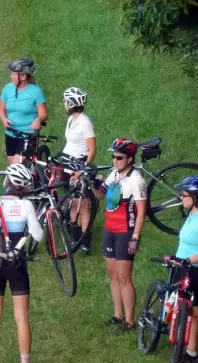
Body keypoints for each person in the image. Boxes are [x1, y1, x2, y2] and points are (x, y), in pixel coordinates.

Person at [0, 164, 43, 363]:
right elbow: (38, 236)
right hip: (16, 263)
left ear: (7, 182)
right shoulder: (26, 205)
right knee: (21, 316)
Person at [92, 138, 147, 333]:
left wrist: (136, 236)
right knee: (112, 274)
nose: (114, 160)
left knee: (124, 277)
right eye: (113, 157)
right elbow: (101, 196)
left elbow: (141, 211)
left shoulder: (136, 180)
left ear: (130, 159)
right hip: (110, 229)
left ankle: (130, 321)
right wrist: (94, 183)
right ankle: (117, 315)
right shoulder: (114, 174)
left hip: (126, 231)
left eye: (119, 157)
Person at [168, 176, 198, 363]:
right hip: (184, 269)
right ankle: (190, 350)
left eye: (184, 195)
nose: (181, 198)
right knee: (189, 312)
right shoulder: (192, 215)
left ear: (196, 197)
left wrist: (186, 260)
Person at [61, 87, 97, 254]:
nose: (64, 103)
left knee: (82, 206)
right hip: (67, 165)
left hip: (77, 167)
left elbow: (92, 149)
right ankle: (75, 239)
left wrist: (83, 170)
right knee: (71, 203)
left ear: (73, 103)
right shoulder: (71, 120)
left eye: (66, 101)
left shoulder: (85, 122)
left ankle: (85, 242)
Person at [0, 58, 48, 164]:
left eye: (14, 75)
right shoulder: (8, 88)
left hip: (27, 134)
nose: (11, 77)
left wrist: (38, 119)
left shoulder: (35, 91)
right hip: (11, 133)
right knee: (13, 166)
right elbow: (0, 109)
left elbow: (44, 114)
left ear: (23, 76)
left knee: (17, 163)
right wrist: (3, 119)